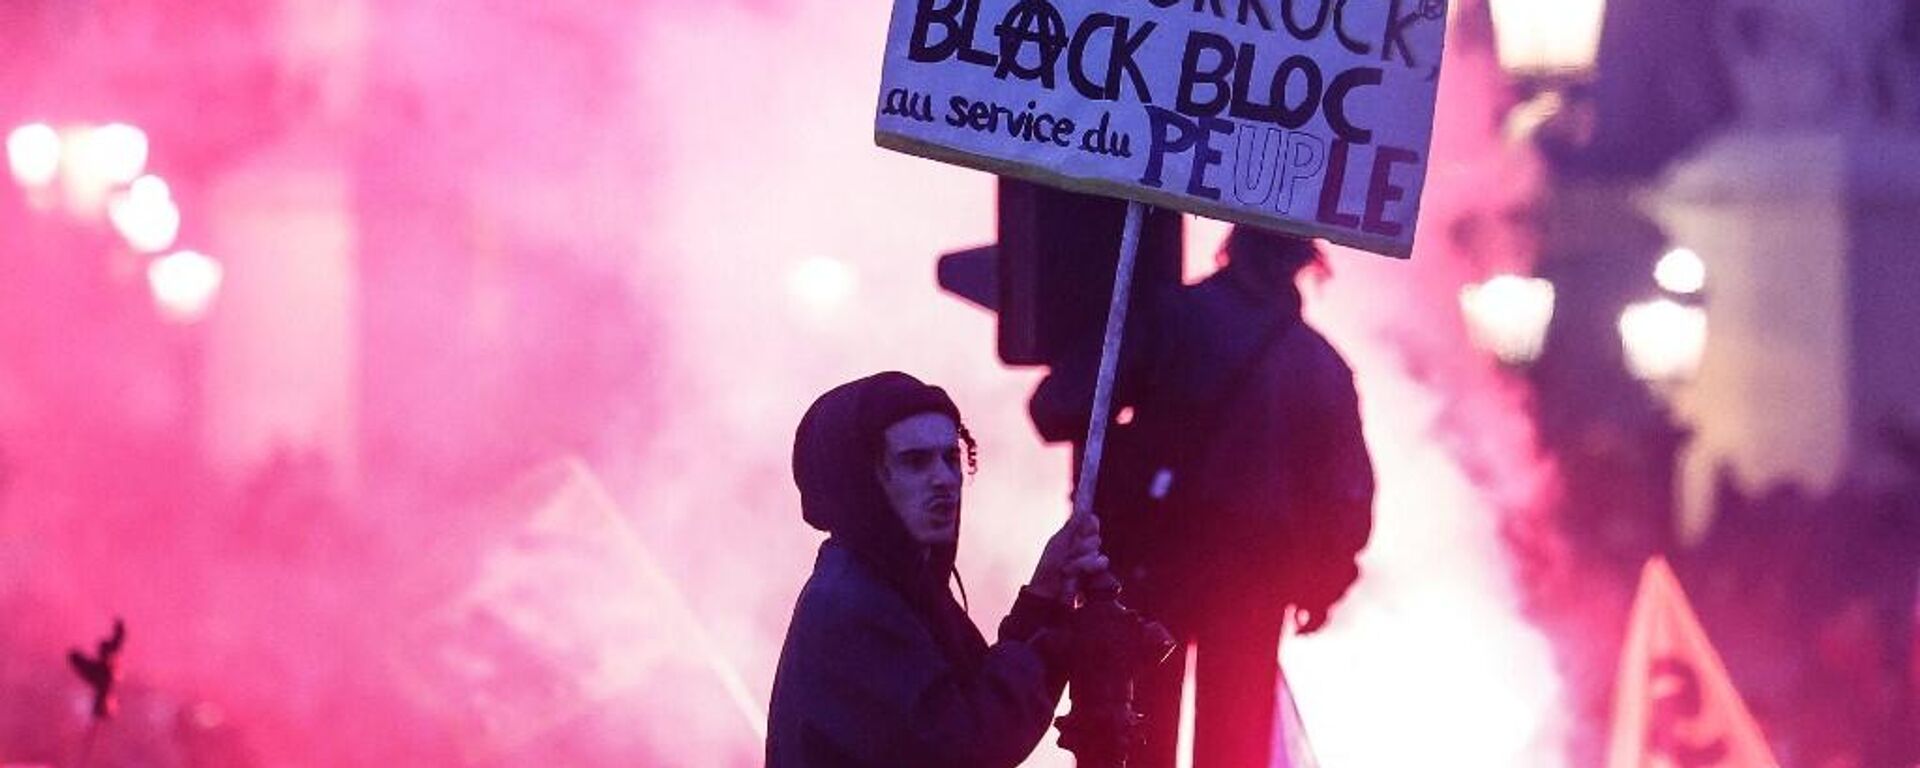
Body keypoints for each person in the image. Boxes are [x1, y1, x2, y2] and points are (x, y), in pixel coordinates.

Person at [1031, 227, 1375, 768]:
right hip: (1257, 583)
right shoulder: (1321, 366)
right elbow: (1346, 494)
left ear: (1233, 247)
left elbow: (1057, 406)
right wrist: (1325, 582)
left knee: (1135, 736)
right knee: (1235, 746)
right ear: (1303, 261)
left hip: (1152, 565)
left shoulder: (1169, 318)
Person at [767, 371, 1108, 768]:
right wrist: (1053, 646)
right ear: (862, 480)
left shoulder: (896, 585)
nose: (945, 480)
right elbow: (965, 747)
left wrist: (1044, 597)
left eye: (951, 457)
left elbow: (975, 698)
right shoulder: (852, 607)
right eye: (916, 461)